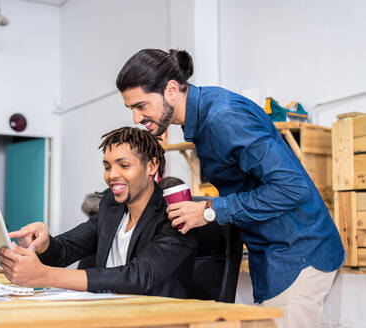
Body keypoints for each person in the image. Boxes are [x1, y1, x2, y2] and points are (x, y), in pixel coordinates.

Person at [115, 48, 344, 328]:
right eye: (132, 109)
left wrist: (210, 211)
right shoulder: (206, 115)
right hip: (275, 254)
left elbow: (292, 188)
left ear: (171, 89)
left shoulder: (223, 118)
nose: (137, 118)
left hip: (296, 254)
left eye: (142, 106)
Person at [0, 127, 197, 298]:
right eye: (107, 167)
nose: (112, 175)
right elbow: (66, 249)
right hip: (105, 312)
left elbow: (138, 276)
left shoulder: (176, 213)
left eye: (124, 165)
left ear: (152, 166)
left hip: (155, 319)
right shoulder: (111, 206)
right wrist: (43, 243)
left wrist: (45, 275)